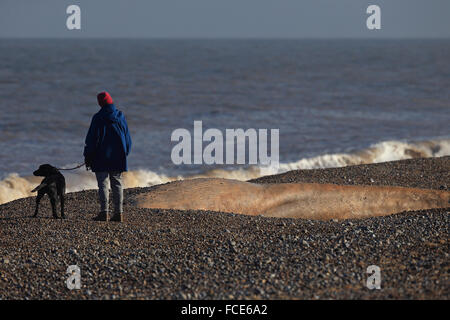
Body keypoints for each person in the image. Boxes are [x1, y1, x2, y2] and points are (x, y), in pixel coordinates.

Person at [84, 92, 132, 222]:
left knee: (103, 184)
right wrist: (125, 153)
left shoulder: (98, 118)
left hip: (101, 156)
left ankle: (104, 212)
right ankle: (119, 213)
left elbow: (91, 140)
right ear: (111, 101)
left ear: (100, 103)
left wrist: (87, 156)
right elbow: (128, 139)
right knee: (117, 184)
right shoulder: (120, 116)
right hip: (118, 156)